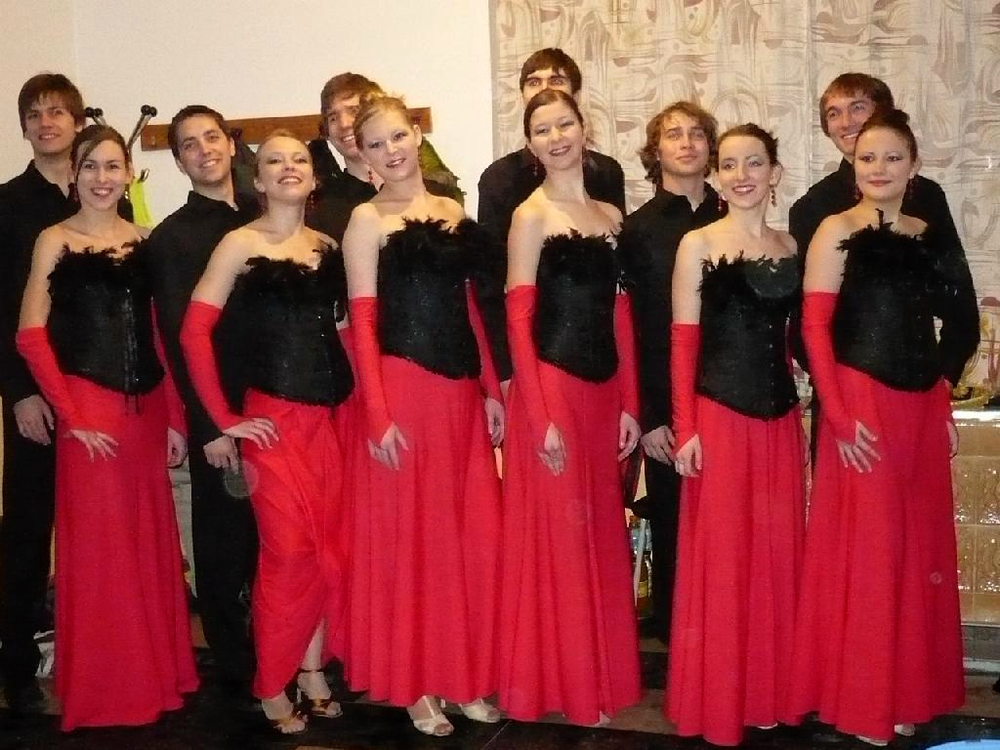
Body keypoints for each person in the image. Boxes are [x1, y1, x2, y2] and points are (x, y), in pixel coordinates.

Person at [790, 109, 969, 745]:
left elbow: (933, 327)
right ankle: (864, 697)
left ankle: (906, 689)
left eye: (893, 157)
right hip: (860, 404)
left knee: (915, 549)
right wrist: (838, 417)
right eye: (868, 157)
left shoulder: (925, 232)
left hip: (919, 405)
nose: (879, 168)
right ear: (852, 164)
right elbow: (814, 329)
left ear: (914, 166)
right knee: (871, 551)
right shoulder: (833, 228)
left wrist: (942, 405)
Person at [16, 125, 197, 730]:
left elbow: (161, 340)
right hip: (90, 416)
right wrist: (71, 416)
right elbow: (31, 335)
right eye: (90, 166)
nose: (101, 178)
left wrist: (175, 420)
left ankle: (155, 678)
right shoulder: (54, 239)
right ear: (74, 174)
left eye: (112, 166)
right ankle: (108, 691)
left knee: (148, 548)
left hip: (147, 416)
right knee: (104, 555)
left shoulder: (145, 241)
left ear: (128, 175)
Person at [180, 130, 354, 733]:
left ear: (314, 175)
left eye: (298, 159)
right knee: (288, 552)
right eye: (274, 161)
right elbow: (193, 333)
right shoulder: (238, 243)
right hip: (272, 426)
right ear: (257, 180)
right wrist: (223, 418)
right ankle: (272, 682)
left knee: (328, 553)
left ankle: (311, 670)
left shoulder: (328, 247)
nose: (288, 167)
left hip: (328, 423)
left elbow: (346, 336)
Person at [341, 96, 504, 738]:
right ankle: (417, 685)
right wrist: (377, 414)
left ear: (416, 135)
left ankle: (463, 676)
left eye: (398, 137)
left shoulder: (452, 212)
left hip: (460, 395)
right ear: (363, 156)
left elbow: (470, 310)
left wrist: (490, 390)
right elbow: (363, 322)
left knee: (465, 541)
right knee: (416, 544)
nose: (391, 151)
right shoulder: (365, 220)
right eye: (375, 144)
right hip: (403, 393)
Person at [497, 87, 641, 726]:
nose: (556, 138)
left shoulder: (611, 215)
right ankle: (569, 689)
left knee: (598, 536)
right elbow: (518, 317)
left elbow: (621, 314)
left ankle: (600, 679)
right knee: (560, 539)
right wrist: (537, 412)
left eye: (564, 125)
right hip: (551, 387)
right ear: (530, 144)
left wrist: (630, 404)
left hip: (604, 392)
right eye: (542, 129)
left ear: (585, 127)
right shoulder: (529, 215)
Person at [665, 124, 804, 746]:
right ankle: (721, 698)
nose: (741, 175)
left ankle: (768, 691)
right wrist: (686, 428)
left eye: (754, 163)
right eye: (729, 164)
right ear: (717, 176)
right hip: (719, 419)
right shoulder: (697, 243)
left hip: (780, 421)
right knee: (724, 563)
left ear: (774, 173)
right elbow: (682, 341)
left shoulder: (790, 244)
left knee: (776, 557)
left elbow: (791, 336)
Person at [0, 73, 125, 714]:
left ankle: (100, 657)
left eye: (57, 112)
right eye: (34, 113)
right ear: (24, 126)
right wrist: (19, 393)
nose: (46, 122)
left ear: (78, 123)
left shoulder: (108, 200)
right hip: (33, 397)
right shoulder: (6, 204)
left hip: (100, 395)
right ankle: (17, 667)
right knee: (27, 529)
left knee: (100, 532)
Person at [146, 105, 259, 707]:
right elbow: (174, 336)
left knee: (276, 541)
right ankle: (237, 671)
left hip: (275, 403)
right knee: (223, 545)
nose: (204, 150)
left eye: (211, 137)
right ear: (178, 160)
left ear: (230, 143)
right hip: (217, 413)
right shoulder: (173, 238)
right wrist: (209, 423)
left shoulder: (266, 213)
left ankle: (282, 657)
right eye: (189, 144)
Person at [788, 73, 978, 409]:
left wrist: (945, 379)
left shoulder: (926, 197)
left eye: (857, 107)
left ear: (883, 111)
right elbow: (804, 319)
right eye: (834, 113)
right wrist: (837, 395)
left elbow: (959, 303)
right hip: (842, 395)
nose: (846, 122)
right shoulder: (811, 207)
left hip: (922, 390)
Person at [617, 100, 724, 642]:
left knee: (727, 528)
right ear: (655, 151)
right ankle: (682, 649)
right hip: (666, 406)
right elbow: (634, 331)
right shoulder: (636, 230)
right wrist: (651, 415)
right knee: (676, 525)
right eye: (674, 134)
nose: (686, 143)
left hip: (731, 396)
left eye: (697, 133)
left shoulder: (734, 216)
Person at [477, 47, 628, 384]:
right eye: (534, 81)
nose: (545, 88)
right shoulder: (499, 180)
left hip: (603, 361)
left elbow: (616, 282)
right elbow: (491, 285)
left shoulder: (607, 174)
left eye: (556, 80)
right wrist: (504, 373)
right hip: (541, 361)